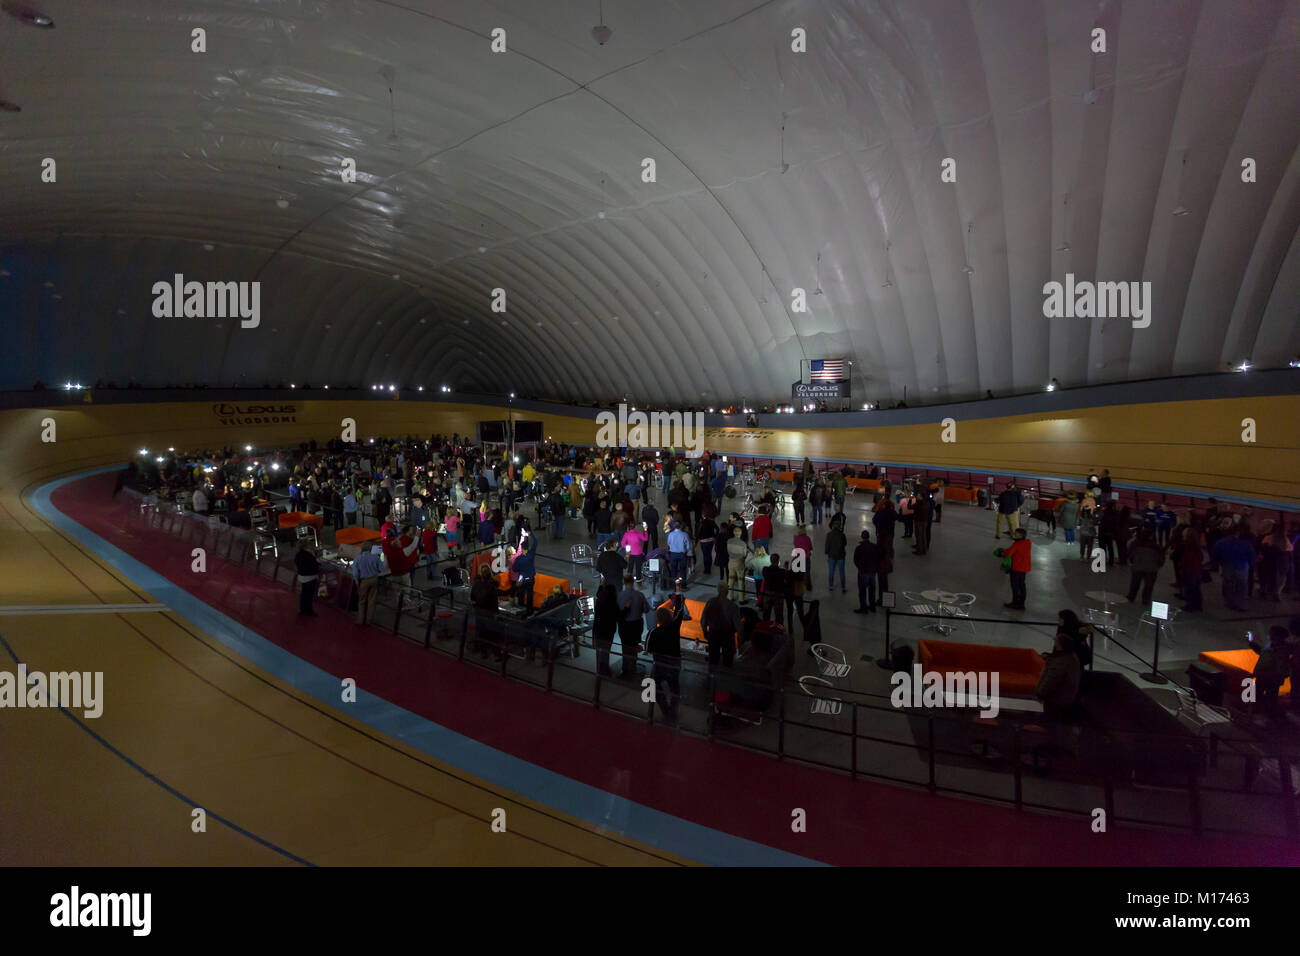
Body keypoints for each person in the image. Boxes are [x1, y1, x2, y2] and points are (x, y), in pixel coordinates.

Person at [645, 606, 682, 724]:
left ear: (658, 619)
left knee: (655, 689)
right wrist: (679, 597)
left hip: (660, 665)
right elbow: (680, 613)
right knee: (674, 688)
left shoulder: (654, 632)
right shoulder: (675, 627)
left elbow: (648, 649)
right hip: (674, 664)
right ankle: (673, 711)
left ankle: (665, 711)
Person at [1035, 629, 1082, 716]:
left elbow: (1052, 679)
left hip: (1056, 699)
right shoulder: (1070, 657)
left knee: (1051, 721)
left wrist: (1040, 693)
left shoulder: (1061, 661)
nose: (1054, 644)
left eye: (1056, 642)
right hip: (1063, 698)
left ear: (1061, 645)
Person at [1249, 626, 1291, 724]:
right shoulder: (1271, 645)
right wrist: (1254, 646)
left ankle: (1270, 717)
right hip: (1263, 676)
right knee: (1258, 695)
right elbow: (1263, 653)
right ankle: (1263, 714)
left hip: (1271, 678)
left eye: (1271, 633)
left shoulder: (1282, 650)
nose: (1269, 635)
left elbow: (1282, 665)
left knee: (1270, 698)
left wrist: (1280, 677)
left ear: (1278, 636)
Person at [1211, 526, 1255, 611]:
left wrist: (1218, 562)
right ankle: (1239, 603)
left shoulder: (1221, 542)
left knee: (1228, 584)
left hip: (1227, 565)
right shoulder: (1245, 543)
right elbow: (1251, 554)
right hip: (1242, 566)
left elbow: (1215, 554)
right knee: (1241, 585)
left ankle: (1230, 602)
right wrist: (1251, 563)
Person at [616, 574, 649, 679]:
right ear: (633, 582)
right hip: (636, 625)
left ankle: (625, 670)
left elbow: (617, 612)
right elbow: (647, 609)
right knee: (634, 647)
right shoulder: (640, 595)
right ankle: (633, 668)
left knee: (625, 648)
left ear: (624, 582)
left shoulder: (619, 596)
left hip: (625, 626)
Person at [1125, 529, 1164, 606]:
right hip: (1151, 568)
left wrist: (1133, 561)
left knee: (1135, 583)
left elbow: (1130, 554)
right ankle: (1145, 600)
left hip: (1138, 566)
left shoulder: (1135, 544)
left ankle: (1131, 596)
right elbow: (1161, 558)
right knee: (1149, 585)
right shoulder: (1156, 546)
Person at [469, 563, 500, 658]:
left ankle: (484, 652)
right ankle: (495, 652)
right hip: (490, 612)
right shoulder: (492, 584)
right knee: (493, 633)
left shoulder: (476, 584)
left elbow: (472, 597)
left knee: (481, 632)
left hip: (479, 612)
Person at [997, 528, 1032, 610]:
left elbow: (1009, 553)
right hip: (1024, 568)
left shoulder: (1016, 544)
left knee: (1015, 587)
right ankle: (1022, 604)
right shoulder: (1028, 542)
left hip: (1016, 569)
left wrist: (1002, 553)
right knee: (1022, 586)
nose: (1013, 535)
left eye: (1016, 534)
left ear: (1020, 536)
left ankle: (1015, 603)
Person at [591, 582, 620, 677]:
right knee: (605, 652)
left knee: (599, 652)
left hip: (598, 630)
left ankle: (599, 670)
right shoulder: (612, 603)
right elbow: (617, 616)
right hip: (608, 631)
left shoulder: (599, 600)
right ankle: (604, 670)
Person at [352, 543, 384, 626]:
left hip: (364, 581)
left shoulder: (358, 558)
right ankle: (368, 621)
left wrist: (356, 582)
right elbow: (381, 568)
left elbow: (355, 573)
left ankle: (360, 620)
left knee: (362, 601)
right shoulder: (376, 557)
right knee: (371, 600)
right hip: (374, 579)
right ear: (370, 549)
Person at [852, 530, 881, 613]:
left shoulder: (859, 548)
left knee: (862, 591)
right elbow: (878, 557)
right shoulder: (874, 547)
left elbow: (855, 560)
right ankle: (872, 606)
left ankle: (863, 608)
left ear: (862, 537)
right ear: (868, 537)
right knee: (872, 590)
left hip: (863, 572)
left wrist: (860, 567)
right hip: (872, 572)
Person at [761, 551, 788, 629]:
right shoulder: (782, 572)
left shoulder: (765, 570)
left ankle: (765, 630)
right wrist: (786, 569)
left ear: (770, 560)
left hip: (768, 594)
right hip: (778, 595)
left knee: (766, 615)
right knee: (779, 615)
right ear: (778, 561)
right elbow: (786, 580)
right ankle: (779, 632)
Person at [294, 541, 320, 616]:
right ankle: (309, 610)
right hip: (310, 577)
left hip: (302, 576)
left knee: (304, 593)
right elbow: (313, 564)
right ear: (306, 546)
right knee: (309, 595)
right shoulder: (308, 555)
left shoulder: (298, 554)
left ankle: (302, 609)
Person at [825, 520, 847, 594]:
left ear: (833, 526)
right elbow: (845, 543)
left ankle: (831, 586)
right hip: (841, 556)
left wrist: (827, 553)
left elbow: (827, 545)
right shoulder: (842, 535)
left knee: (831, 571)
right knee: (841, 572)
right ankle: (843, 587)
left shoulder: (829, 534)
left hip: (832, 555)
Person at [792, 524, 813, 591]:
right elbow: (810, 547)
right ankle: (808, 586)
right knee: (807, 572)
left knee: (797, 572)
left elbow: (795, 545)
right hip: (806, 557)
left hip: (798, 557)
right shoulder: (807, 538)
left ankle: (797, 585)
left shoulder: (795, 538)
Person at [912, 491, 931, 555]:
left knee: (918, 536)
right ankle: (924, 550)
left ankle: (919, 550)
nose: (917, 496)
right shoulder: (927, 503)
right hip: (924, 521)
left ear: (921, 497)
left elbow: (910, 507)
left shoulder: (918, 503)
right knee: (923, 536)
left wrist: (910, 500)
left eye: (918, 495)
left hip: (918, 521)